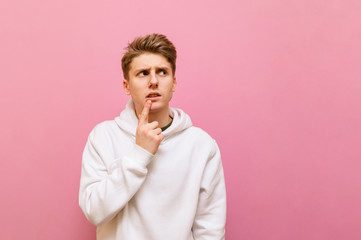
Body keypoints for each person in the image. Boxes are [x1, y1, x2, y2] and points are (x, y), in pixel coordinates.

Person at [79, 33, 227, 240]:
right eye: (143, 73)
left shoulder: (201, 145)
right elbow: (94, 211)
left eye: (162, 72)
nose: (154, 81)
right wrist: (140, 154)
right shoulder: (103, 137)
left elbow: (210, 228)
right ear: (126, 86)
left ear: (173, 83)